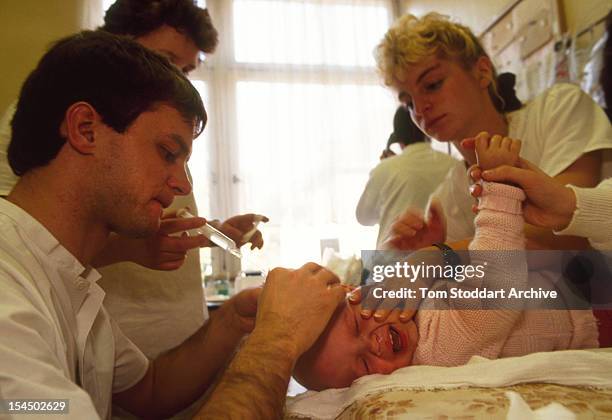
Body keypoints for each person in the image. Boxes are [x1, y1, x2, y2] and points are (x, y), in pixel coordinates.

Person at [0, 31, 346, 419]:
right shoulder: (9, 288)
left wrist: (232, 320)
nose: (183, 185)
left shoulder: (69, 281)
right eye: (167, 153)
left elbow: (150, 390)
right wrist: (278, 339)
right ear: (85, 129)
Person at [0, 0, 266, 363]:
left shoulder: (148, 121)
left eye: (186, 69)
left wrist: (212, 233)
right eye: (166, 59)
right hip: (120, 336)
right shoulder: (52, 114)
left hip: (162, 350)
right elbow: (33, 237)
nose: (175, 77)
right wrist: (133, 249)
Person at [356, 12, 612, 322]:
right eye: (408, 102)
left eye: (433, 84)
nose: (420, 108)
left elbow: (570, 234)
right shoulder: (450, 190)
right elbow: (488, 283)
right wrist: (417, 253)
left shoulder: (558, 110)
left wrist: (443, 254)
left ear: (481, 71)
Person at [294, 135, 600, 391]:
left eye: (357, 323)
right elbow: (496, 283)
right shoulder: (438, 347)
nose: (372, 345)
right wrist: (500, 189)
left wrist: (426, 255)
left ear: (355, 292)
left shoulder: (413, 316)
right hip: (588, 309)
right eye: (362, 367)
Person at [356, 105, 455, 248]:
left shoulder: (385, 168)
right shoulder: (454, 165)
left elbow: (364, 217)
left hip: (394, 259)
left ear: (397, 135)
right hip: (447, 258)